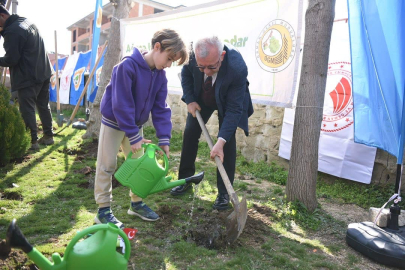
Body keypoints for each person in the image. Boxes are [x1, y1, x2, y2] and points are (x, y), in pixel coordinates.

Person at [94, 29, 188, 228]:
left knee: (141, 165)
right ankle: (103, 211)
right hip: (114, 123)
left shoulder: (160, 76)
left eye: (173, 62)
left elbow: (161, 108)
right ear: (157, 47)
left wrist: (164, 139)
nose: (169, 64)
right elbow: (122, 104)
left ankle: (136, 204)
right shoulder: (126, 67)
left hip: (135, 128)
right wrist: (134, 135)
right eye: (169, 58)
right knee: (107, 165)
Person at [170, 36, 253, 210]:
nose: (206, 71)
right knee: (190, 131)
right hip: (202, 97)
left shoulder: (237, 68)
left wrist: (220, 142)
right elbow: (185, 74)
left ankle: (224, 193)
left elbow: (234, 110)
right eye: (202, 67)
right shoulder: (192, 55)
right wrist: (190, 100)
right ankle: (185, 179)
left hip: (227, 100)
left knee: (227, 141)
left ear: (222, 56)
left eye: (212, 67)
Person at [0, 5, 54, 150]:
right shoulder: (26, 21)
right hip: (44, 71)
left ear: (3, 16)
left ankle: (33, 142)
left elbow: (11, 60)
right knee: (43, 105)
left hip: (28, 76)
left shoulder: (12, 31)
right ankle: (49, 136)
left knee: (27, 108)